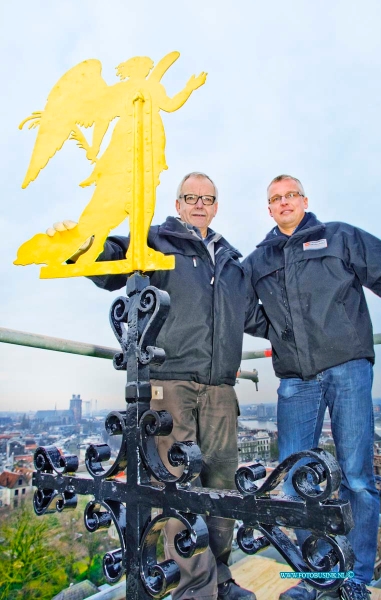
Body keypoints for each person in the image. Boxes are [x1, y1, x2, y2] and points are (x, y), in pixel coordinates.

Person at [53, 172, 264, 600]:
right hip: (170, 382)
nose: (200, 204)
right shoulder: (156, 240)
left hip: (221, 387)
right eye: (192, 197)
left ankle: (220, 577)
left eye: (208, 198)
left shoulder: (230, 262)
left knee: (221, 486)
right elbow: (112, 260)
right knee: (179, 488)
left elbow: (256, 318)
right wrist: (82, 246)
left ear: (216, 205)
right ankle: (195, 590)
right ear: (179, 202)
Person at [244, 174, 381, 600]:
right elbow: (236, 307)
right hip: (296, 378)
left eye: (290, 195)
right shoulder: (258, 260)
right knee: (294, 479)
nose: (284, 202)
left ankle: (356, 580)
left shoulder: (340, 238)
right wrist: (278, 331)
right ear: (269, 209)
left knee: (357, 478)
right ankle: (314, 577)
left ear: (304, 200)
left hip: (348, 368)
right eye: (275, 198)